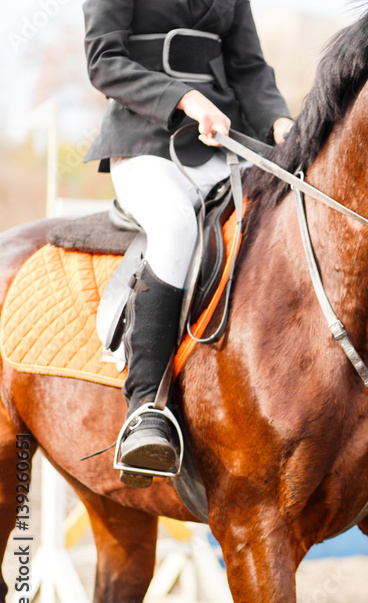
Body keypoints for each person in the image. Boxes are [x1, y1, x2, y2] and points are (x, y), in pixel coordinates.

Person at [82, 0, 294, 487]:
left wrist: (278, 121)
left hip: (221, 142)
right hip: (144, 142)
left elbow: (248, 66)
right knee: (176, 226)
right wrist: (184, 98)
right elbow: (103, 61)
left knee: (273, 222)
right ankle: (145, 409)